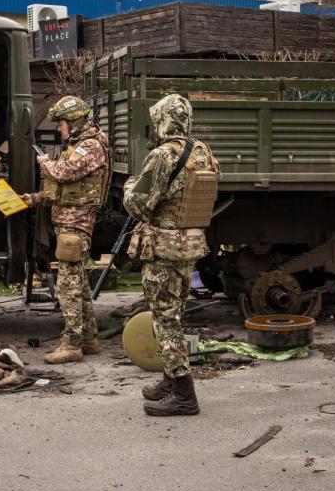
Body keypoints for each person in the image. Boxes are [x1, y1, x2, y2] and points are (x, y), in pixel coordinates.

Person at [122, 94, 219, 416]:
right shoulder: (203, 152)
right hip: (189, 243)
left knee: (165, 320)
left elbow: (138, 205)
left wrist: (129, 185)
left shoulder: (162, 155)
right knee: (174, 313)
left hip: (164, 246)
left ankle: (184, 395)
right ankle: (168, 379)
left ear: (162, 121)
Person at [21, 96, 110, 364]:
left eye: (61, 123)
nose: (59, 129)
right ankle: (89, 339)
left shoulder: (91, 146)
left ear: (74, 122)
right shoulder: (76, 145)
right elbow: (60, 189)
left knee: (68, 287)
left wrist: (44, 163)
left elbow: (64, 173)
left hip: (76, 225)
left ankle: (71, 344)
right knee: (79, 284)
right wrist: (34, 198)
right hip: (67, 223)